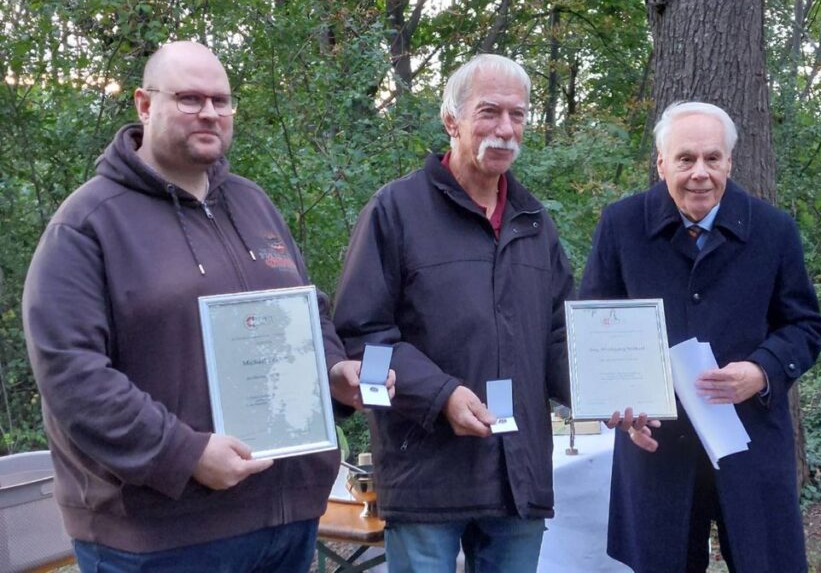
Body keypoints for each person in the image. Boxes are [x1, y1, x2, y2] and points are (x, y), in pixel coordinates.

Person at [21, 41, 389, 572]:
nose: (210, 113)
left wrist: (332, 370)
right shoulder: (88, 224)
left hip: (282, 521)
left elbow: (307, 311)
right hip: (162, 536)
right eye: (190, 99)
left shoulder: (252, 204)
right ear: (144, 106)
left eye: (221, 100)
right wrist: (184, 454)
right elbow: (71, 376)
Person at [333, 53, 574, 572]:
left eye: (519, 114)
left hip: (518, 476)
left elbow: (557, 336)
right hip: (427, 474)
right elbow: (362, 334)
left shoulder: (535, 223)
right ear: (451, 120)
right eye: (489, 112)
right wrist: (442, 395)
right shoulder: (395, 211)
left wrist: (611, 392)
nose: (506, 129)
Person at [579, 101, 821, 572]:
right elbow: (595, 327)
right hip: (656, 447)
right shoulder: (622, 226)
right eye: (685, 159)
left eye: (713, 158)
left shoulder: (773, 230)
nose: (700, 173)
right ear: (661, 163)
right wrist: (621, 406)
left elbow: (805, 325)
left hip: (749, 439)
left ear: (730, 162)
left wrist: (763, 369)